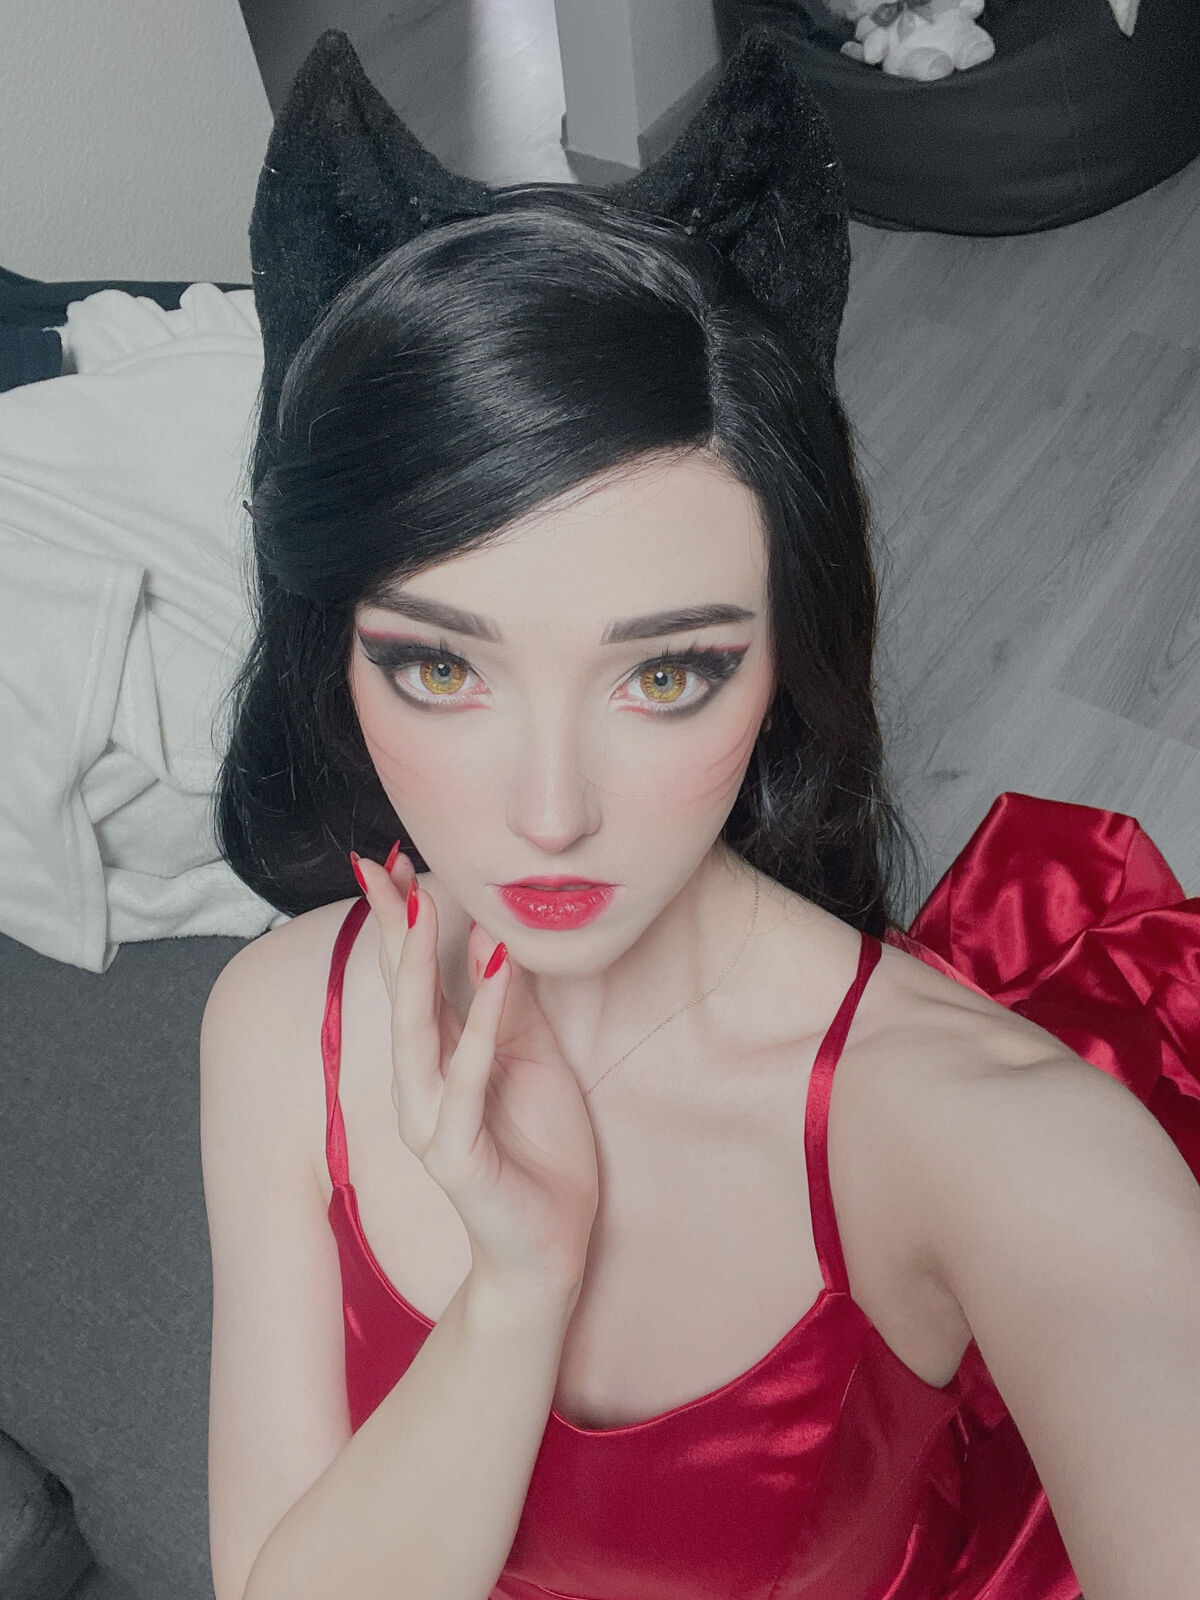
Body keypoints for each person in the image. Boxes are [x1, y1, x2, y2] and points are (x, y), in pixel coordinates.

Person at [199, 185, 1200, 1600]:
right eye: (442, 666)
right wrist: (516, 1298)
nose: (553, 813)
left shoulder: (1010, 1152)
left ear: (786, 658)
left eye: (665, 674)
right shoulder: (273, 1023)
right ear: (336, 656)